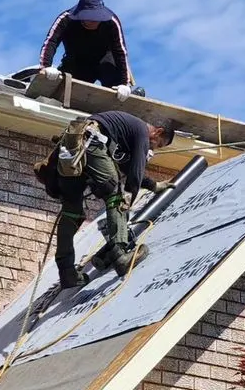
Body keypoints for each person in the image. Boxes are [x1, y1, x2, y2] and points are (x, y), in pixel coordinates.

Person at [53, 110, 174, 289]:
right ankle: (120, 253)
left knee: (71, 213)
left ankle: (67, 273)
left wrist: (153, 185)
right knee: (114, 193)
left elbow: (126, 165)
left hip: (71, 151)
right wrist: (128, 198)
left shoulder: (123, 129)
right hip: (91, 143)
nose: (153, 148)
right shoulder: (141, 130)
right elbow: (135, 172)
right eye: (159, 144)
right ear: (158, 131)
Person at [39, 0, 134, 100]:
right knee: (68, 89)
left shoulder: (111, 22)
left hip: (105, 60)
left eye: (97, 18)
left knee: (112, 74)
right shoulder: (65, 19)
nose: (94, 21)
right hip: (77, 62)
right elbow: (51, 41)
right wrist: (46, 66)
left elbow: (120, 51)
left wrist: (124, 83)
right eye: (90, 18)